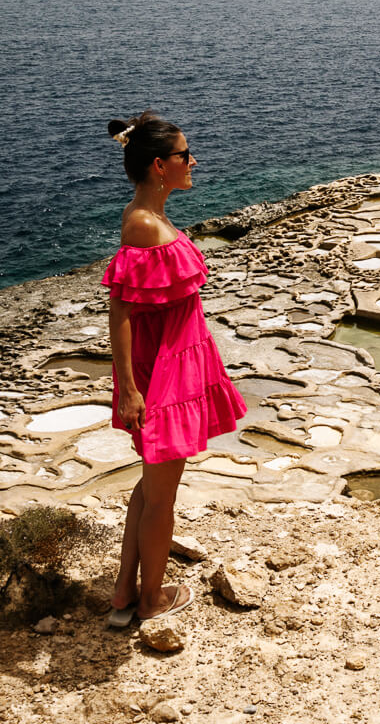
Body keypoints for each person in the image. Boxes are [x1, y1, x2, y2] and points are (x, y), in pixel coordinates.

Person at [103, 111, 247, 626]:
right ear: (160, 166)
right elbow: (120, 311)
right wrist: (131, 390)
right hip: (161, 373)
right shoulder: (143, 224)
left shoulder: (155, 218)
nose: (194, 161)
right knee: (162, 496)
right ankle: (151, 599)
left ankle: (124, 590)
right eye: (186, 154)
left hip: (173, 364)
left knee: (151, 485)